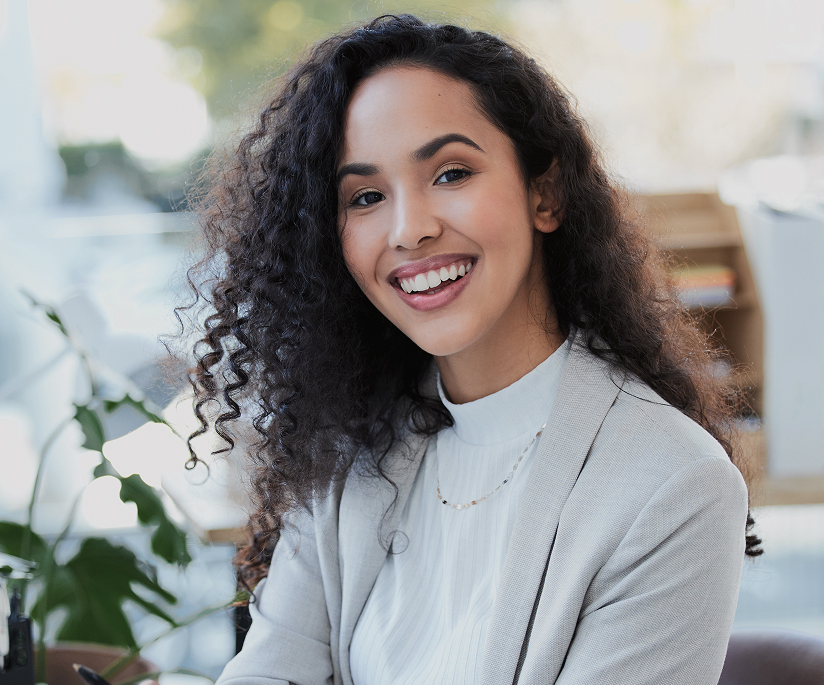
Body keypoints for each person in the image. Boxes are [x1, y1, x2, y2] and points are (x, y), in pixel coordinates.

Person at [184, 14, 760, 685]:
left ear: (545, 193)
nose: (410, 229)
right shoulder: (352, 451)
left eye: (451, 173)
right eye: (366, 196)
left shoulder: (672, 486)